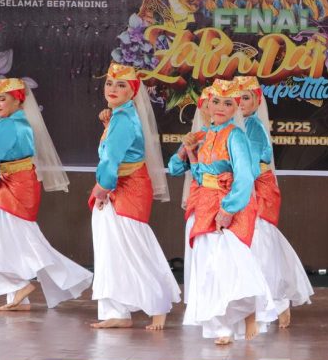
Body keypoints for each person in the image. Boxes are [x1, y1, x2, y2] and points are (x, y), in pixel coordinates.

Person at [0, 78, 93, 311]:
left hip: (11, 187)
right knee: (15, 238)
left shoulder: (6, 125)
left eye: (2, 99)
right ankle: (18, 296)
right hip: (24, 183)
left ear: (18, 100)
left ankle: (19, 286)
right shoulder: (22, 122)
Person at [182, 78, 276, 345]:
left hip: (227, 204)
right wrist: (190, 154)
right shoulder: (207, 134)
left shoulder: (236, 135)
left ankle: (248, 311)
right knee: (208, 266)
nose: (220, 107)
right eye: (216, 102)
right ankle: (222, 326)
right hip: (206, 204)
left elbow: (245, 175)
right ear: (207, 105)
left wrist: (229, 209)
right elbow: (198, 174)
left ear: (236, 107)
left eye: (227, 102)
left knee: (229, 263)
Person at [88, 63, 180, 330]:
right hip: (119, 187)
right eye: (109, 83)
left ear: (133, 91)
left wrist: (102, 188)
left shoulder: (124, 119)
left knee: (134, 249)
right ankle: (116, 311)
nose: (113, 88)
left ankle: (158, 304)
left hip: (125, 190)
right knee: (112, 251)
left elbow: (111, 159)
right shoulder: (120, 116)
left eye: (121, 85)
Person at [236, 76, 313, 328]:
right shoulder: (234, 126)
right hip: (242, 188)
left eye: (245, 97)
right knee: (252, 247)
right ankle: (264, 303)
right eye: (236, 98)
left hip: (257, 189)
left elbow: (251, 165)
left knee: (261, 245)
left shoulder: (254, 127)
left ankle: (275, 302)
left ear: (257, 101)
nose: (240, 102)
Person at [168, 86, 213, 303]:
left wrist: (194, 158)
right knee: (199, 253)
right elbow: (175, 169)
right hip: (198, 203)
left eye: (219, 103)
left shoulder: (233, 136)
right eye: (207, 105)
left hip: (222, 204)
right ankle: (199, 304)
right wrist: (185, 150)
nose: (212, 109)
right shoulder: (197, 136)